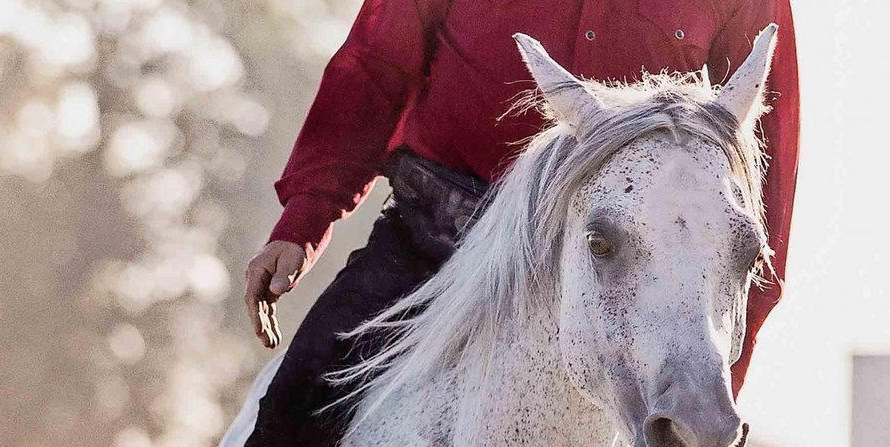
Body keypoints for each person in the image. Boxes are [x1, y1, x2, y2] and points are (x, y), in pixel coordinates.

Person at [243, 0, 799, 444]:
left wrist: (731, 348)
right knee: (295, 407)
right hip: (431, 243)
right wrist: (303, 220)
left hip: (623, 274)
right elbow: (375, 68)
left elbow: (762, 154)